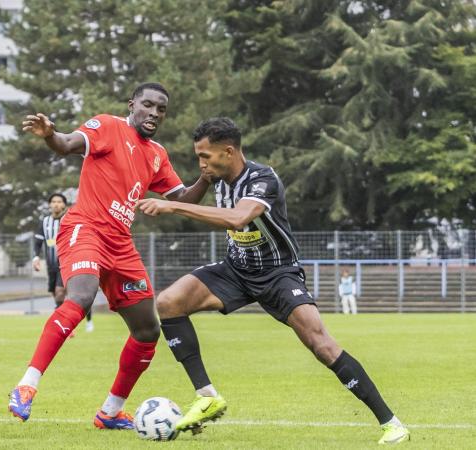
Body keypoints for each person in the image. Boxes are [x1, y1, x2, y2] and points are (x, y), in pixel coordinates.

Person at [137, 117, 410, 444]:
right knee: (168, 303)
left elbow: (238, 217)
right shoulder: (218, 178)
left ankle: (391, 423)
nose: (201, 163)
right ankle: (207, 396)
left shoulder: (262, 178)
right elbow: (188, 200)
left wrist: (170, 208)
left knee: (321, 345)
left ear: (228, 151)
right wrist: (199, 183)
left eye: (205, 156)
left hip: (278, 273)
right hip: (236, 270)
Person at [9, 82, 211, 429]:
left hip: (121, 243)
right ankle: (27, 385)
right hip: (84, 228)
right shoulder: (107, 126)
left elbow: (182, 199)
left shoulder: (157, 154)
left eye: (161, 109)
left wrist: (207, 178)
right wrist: (49, 134)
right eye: (148, 105)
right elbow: (67, 144)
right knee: (82, 296)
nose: (154, 113)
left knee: (148, 330)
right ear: (132, 104)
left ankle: (110, 411)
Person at [32, 192, 94, 333]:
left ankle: (83, 321)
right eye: (53, 201)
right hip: (51, 264)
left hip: (67, 262)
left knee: (63, 293)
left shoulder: (69, 219)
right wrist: (35, 257)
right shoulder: (44, 222)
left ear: (64, 205)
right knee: (56, 294)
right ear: (49, 204)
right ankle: (64, 320)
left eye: (59, 202)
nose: (56, 204)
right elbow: (38, 242)